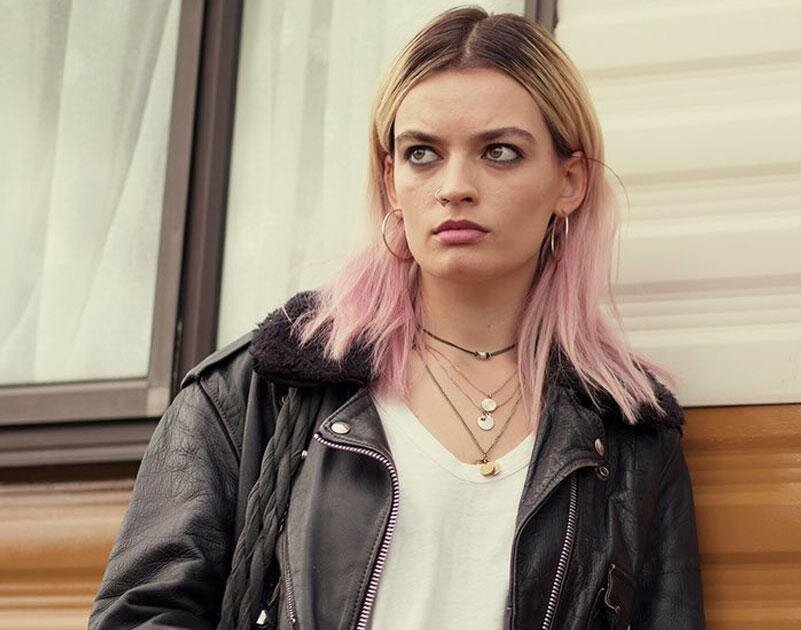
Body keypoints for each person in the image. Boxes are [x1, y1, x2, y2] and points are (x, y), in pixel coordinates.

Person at [89, 6, 705, 629]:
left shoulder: (628, 435)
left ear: (568, 182)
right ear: (390, 180)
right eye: (422, 153)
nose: (455, 186)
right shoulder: (256, 393)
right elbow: (140, 616)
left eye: (499, 151)